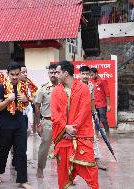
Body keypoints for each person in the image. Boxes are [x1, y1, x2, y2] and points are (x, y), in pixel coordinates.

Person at [50, 61, 99, 189]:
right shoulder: (56, 91)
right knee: (63, 174)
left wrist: (72, 129)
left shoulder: (83, 88)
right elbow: (55, 114)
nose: (56, 74)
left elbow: (84, 111)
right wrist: (65, 128)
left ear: (66, 73)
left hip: (82, 136)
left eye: (58, 72)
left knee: (90, 170)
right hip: (63, 137)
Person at [0, 62, 32, 189]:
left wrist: (26, 101)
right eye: (12, 74)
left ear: (20, 73)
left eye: (17, 74)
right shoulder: (1, 87)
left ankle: (22, 180)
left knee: (21, 152)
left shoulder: (23, 87)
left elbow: (25, 106)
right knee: (3, 151)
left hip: (20, 123)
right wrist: (8, 100)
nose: (15, 77)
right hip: (5, 124)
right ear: (7, 74)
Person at [79, 66, 107, 171]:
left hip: (88, 116)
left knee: (93, 137)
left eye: (87, 74)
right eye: (83, 74)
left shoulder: (91, 85)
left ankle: (97, 159)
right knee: (76, 138)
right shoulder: (76, 86)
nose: (85, 76)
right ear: (80, 74)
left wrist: (94, 112)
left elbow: (92, 100)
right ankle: (77, 161)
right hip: (77, 117)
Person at [35, 64, 58, 178]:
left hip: (61, 123)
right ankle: (40, 169)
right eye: (51, 72)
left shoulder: (63, 87)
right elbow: (37, 106)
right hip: (47, 122)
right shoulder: (43, 88)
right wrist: (38, 124)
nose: (53, 75)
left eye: (55, 72)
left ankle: (65, 172)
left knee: (64, 148)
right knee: (44, 147)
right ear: (48, 73)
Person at [90, 67, 111, 138]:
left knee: (103, 119)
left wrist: (108, 105)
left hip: (102, 105)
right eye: (90, 75)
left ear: (96, 73)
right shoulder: (92, 82)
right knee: (96, 120)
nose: (91, 76)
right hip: (95, 105)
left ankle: (107, 135)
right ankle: (96, 135)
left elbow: (107, 93)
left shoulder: (103, 80)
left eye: (92, 75)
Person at [19, 65, 38, 133]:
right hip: (17, 114)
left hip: (27, 112)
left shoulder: (29, 83)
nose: (26, 74)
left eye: (26, 72)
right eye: (23, 72)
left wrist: (30, 99)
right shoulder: (13, 85)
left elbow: (35, 96)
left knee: (26, 135)